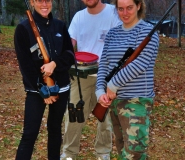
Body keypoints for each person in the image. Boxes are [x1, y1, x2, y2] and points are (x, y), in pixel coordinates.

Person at [95, 0, 159, 159]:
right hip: (114, 101)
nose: (125, 13)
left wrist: (113, 84)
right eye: (120, 8)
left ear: (138, 6)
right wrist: (100, 91)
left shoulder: (148, 32)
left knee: (134, 153)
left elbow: (140, 64)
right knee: (121, 147)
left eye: (129, 8)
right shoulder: (112, 33)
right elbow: (104, 64)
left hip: (137, 101)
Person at [61, 0, 122, 160]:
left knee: (105, 118)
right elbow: (69, 45)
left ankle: (103, 153)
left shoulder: (114, 13)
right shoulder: (78, 17)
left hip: (107, 76)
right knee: (73, 114)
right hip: (81, 75)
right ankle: (68, 153)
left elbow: (123, 43)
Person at [14, 0, 74, 159]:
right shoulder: (23, 29)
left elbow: (70, 55)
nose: (44, 4)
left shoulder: (60, 26)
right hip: (36, 91)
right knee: (29, 134)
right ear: (32, 2)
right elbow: (25, 66)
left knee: (55, 130)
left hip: (61, 88)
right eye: (40, 0)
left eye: (48, 0)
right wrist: (43, 90)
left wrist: (54, 64)